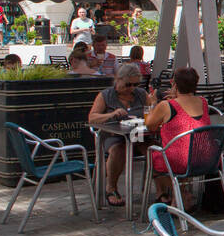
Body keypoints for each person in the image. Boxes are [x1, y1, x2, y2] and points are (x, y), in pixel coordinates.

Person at [144, 66, 213, 203]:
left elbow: (150, 125)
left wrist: (150, 105)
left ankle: (180, 193)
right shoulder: (203, 102)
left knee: (153, 156)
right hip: (206, 158)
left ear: (174, 84)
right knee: (182, 150)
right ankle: (179, 199)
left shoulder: (166, 105)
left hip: (180, 161)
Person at [88, 63, 148, 207]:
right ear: (118, 79)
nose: (132, 88)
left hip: (137, 135)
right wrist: (112, 114)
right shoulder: (106, 96)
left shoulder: (141, 94)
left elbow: (152, 111)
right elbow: (92, 118)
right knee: (119, 150)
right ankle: (111, 188)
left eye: (136, 84)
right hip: (113, 136)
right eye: (128, 85)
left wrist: (153, 105)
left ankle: (161, 191)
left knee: (154, 149)